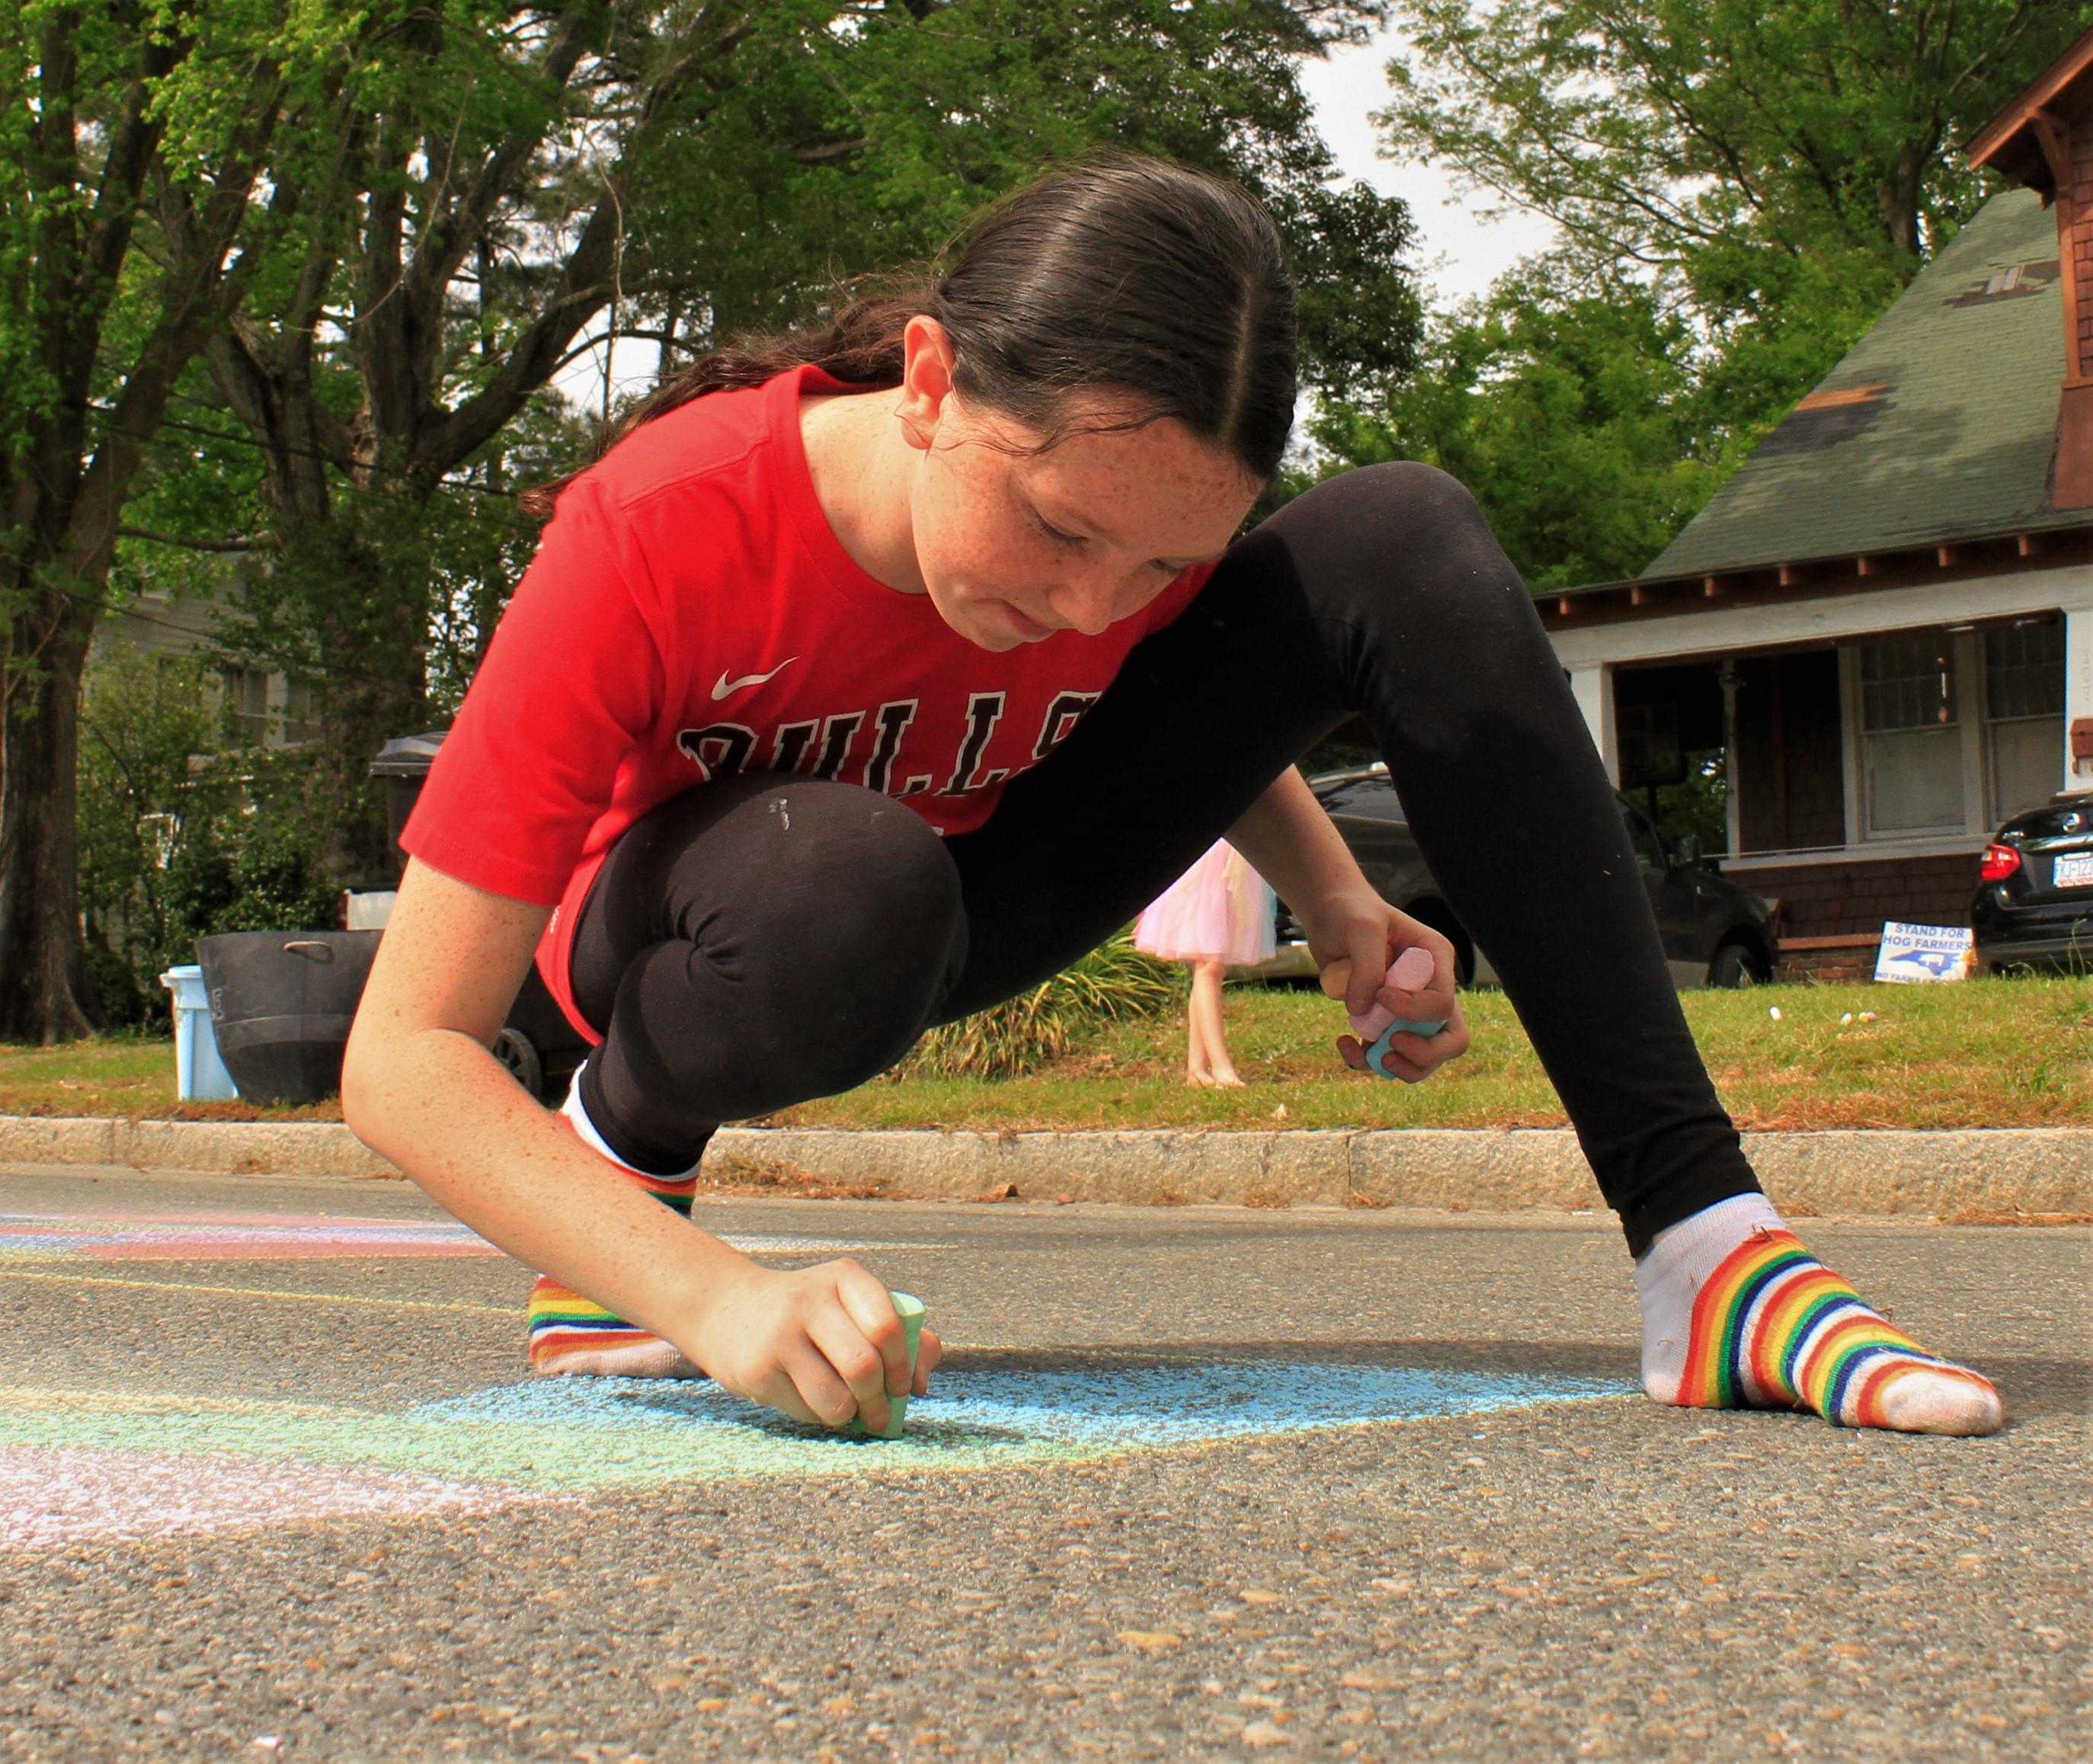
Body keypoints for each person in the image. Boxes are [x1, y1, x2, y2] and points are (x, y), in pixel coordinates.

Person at [342, 155, 2001, 1439]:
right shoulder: (658, 528)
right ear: (926, 384)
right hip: (699, 944)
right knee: (841, 877)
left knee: (1400, 533)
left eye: (1160, 562)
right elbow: (401, 1058)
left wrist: (1337, 895)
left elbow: (1161, 688)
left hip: (969, 888)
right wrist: (706, 1295)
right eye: (1060, 532)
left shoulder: (1115, 530)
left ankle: (1704, 1246)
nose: (1088, 606)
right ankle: (625, 1175)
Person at [1133, 840, 1275, 1086]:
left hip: (1235, 856)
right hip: (1203, 858)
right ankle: (1221, 1067)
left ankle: (1197, 1069)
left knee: (1208, 965)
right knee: (1210, 964)